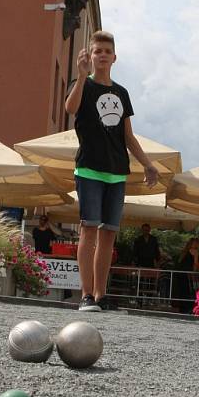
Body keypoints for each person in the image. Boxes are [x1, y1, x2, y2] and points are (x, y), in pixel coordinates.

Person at [65, 30, 158, 311]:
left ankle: (100, 295)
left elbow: (127, 136)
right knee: (89, 229)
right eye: (97, 51)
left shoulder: (121, 93)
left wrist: (147, 163)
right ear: (90, 56)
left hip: (118, 171)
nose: (102, 55)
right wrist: (81, 76)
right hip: (89, 169)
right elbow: (71, 109)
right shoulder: (82, 84)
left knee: (109, 234)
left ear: (114, 57)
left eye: (107, 51)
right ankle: (85, 295)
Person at [173, 237, 199, 314]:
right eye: (196, 243)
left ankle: (183, 308)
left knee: (183, 291)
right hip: (188, 275)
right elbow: (195, 264)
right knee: (189, 291)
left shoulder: (184, 252)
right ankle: (188, 308)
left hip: (180, 274)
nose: (196, 245)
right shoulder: (194, 252)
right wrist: (194, 272)